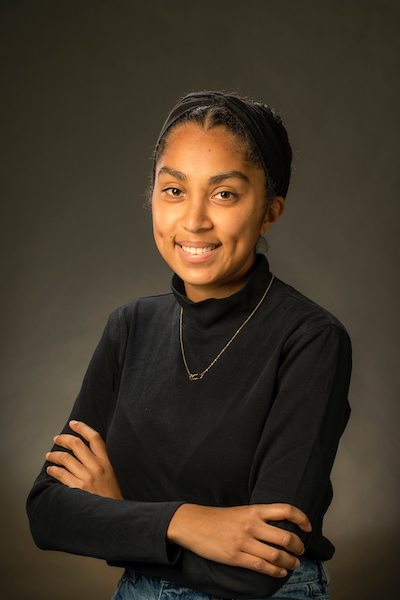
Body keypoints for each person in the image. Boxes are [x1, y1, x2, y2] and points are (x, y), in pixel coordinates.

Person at [27, 91, 352, 600]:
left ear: (269, 210)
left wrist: (115, 515)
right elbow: (47, 513)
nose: (194, 220)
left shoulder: (310, 340)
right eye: (174, 190)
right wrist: (186, 522)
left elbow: (256, 569)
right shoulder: (129, 326)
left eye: (224, 194)